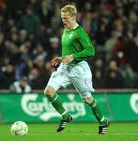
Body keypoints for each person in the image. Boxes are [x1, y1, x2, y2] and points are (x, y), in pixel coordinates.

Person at [44, 4, 110, 134]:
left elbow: (91, 51)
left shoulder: (80, 32)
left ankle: (103, 121)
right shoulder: (66, 30)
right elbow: (69, 51)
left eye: (66, 18)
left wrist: (74, 56)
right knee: (48, 92)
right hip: (64, 67)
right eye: (62, 18)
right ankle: (66, 116)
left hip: (79, 69)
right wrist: (61, 58)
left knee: (87, 99)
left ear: (74, 17)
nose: (63, 20)